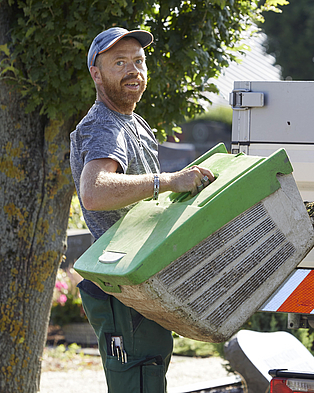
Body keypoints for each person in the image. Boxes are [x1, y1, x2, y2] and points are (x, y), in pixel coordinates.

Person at [70, 26, 215, 393]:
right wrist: (168, 181)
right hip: (124, 288)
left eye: (139, 61)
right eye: (120, 62)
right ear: (97, 74)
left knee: (150, 377)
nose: (133, 69)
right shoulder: (106, 125)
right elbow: (95, 192)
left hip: (140, 281)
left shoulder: (132, 122)